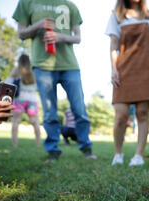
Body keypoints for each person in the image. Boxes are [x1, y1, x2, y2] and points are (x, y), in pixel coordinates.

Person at [13, 0, 96, 162]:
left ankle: (86, 148)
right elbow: (21, 34)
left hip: (69, 65)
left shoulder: (70, 5)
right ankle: (53, 151)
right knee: (50, 112)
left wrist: (60, 36)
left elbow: (77, 37)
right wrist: (38, 25)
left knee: (79, 110)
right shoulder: (27, 3)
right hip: (42, 65)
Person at [106, 0, 149, 166]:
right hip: (123, 70)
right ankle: (118, 154)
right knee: (120, 116)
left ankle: (138, 156)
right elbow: (113, 46)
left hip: (145, 69)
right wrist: (113, 69)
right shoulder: (116, 16)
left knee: (143, 113)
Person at [6, 54, 41, 148]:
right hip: (33, 99)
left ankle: (15, 145)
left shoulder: (16, 70)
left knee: (16, 121)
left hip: (19, 98)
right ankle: (38, 144)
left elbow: (8, 82)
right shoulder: (34, 71)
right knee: (35, 122)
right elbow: (38, 86)